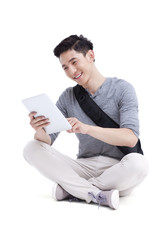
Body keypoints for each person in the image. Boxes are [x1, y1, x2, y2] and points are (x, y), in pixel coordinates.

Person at [23, 35, 149, 210]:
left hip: (118, 168)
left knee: (139, 164)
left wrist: (87, 129)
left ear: (90, 55)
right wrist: (40, 131)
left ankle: (73, 189)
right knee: (31, 147)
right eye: (65, 67)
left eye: (74, 62)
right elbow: (47, 142)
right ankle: (95, 194)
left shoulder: (122, 89)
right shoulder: (67, 97)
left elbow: (130, 138)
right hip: (83, 166)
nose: (72, 71)